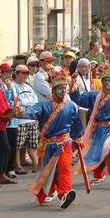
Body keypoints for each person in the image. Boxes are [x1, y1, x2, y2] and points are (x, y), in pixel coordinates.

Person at [18, 69, 83, 208]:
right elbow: (31, 112)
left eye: (64, 88)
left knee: (65, 169)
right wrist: (18, 112)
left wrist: (78, 137)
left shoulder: (71, 106)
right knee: (47, 172)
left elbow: (76, 123)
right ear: (53, 90)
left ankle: (65, 194)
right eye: (59, 88)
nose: (62, 91)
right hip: (48, 145)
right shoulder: (44, 106)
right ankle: (44, 194)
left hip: (64, 142)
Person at [69, 62, 110, 187]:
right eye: (105, 80)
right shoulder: (94, 95)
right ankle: (98, 174)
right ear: (101, 81)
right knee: (99, 150)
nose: (107, 83)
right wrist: (73, 86)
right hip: (99, 128)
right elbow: (78, 100)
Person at [11, 65, 40, 174]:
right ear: (16, 73)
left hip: (32, 118)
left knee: (33, 143)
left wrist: (30, 106)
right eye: (22, 73)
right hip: (20, 119)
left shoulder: (28, 86)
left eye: (26, 73)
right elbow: (17, 102)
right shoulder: (13, 86)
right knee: (18, 145)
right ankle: (17, 165)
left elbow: (35, 99)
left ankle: (35, 164)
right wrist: (28, 105)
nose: (25, 75)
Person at [0, 64, 15, 187]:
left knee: (5, 149)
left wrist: (10, 111)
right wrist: (6, 115)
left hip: (1, 124)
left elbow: (5, 102)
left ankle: (2, 175)